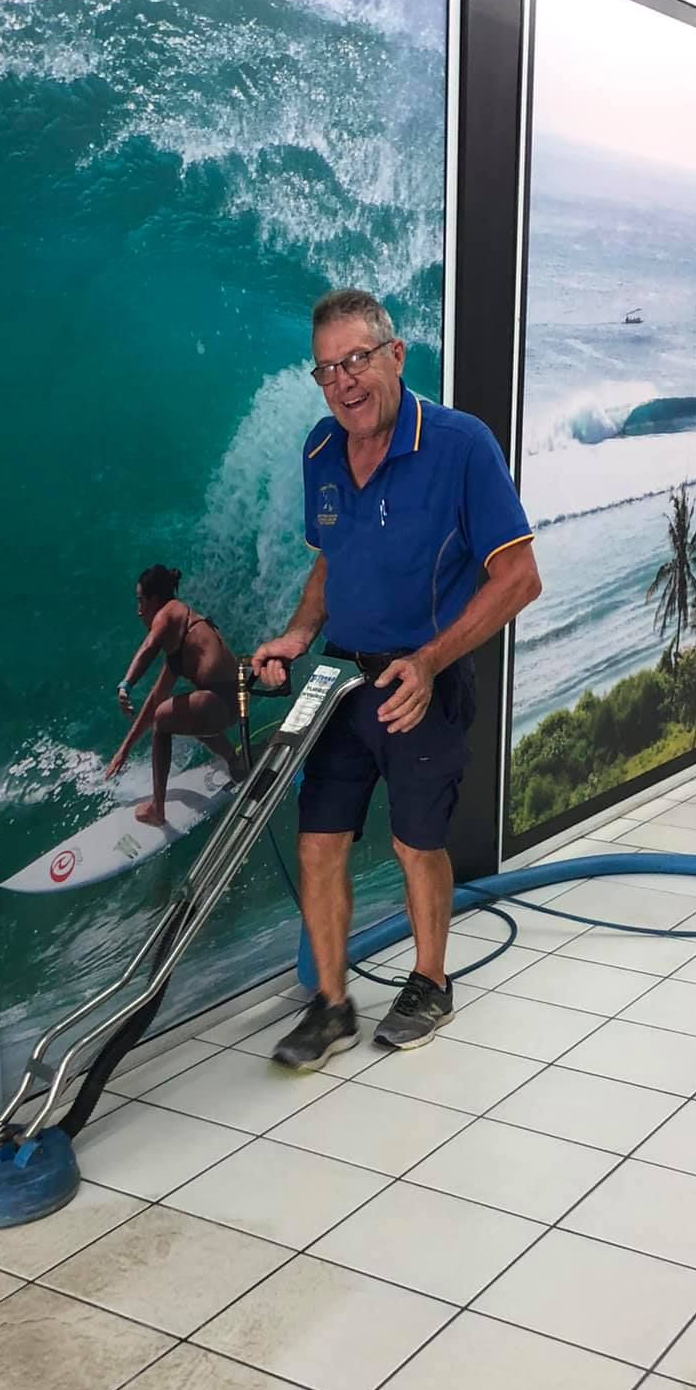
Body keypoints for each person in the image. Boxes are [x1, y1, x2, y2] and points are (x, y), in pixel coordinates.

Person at [252, 289, 541, 1066]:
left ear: (395, 355)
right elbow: (329, 559)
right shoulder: (320, 450)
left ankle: (430, 981)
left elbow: (519, 577)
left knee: (417, 845)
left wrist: (430, 662)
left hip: (425, 686)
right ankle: (332, 1005)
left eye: (356, 360)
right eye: (326, 370)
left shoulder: (460, 445)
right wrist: (298, 633)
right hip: (344, 687)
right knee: (319, 842)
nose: (344, 383)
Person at [107, 565, 244, 826]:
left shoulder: (169, 611)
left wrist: (126, 684)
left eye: (141, 601)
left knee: (165, 719)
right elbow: (155, 699)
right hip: (230, 703)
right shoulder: (182, 638)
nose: (139, 611)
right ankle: (236, 763)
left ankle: (157, 810)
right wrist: (125, 749)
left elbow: (149, 645)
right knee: (177, 711)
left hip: (219, 702)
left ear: (155, 600)